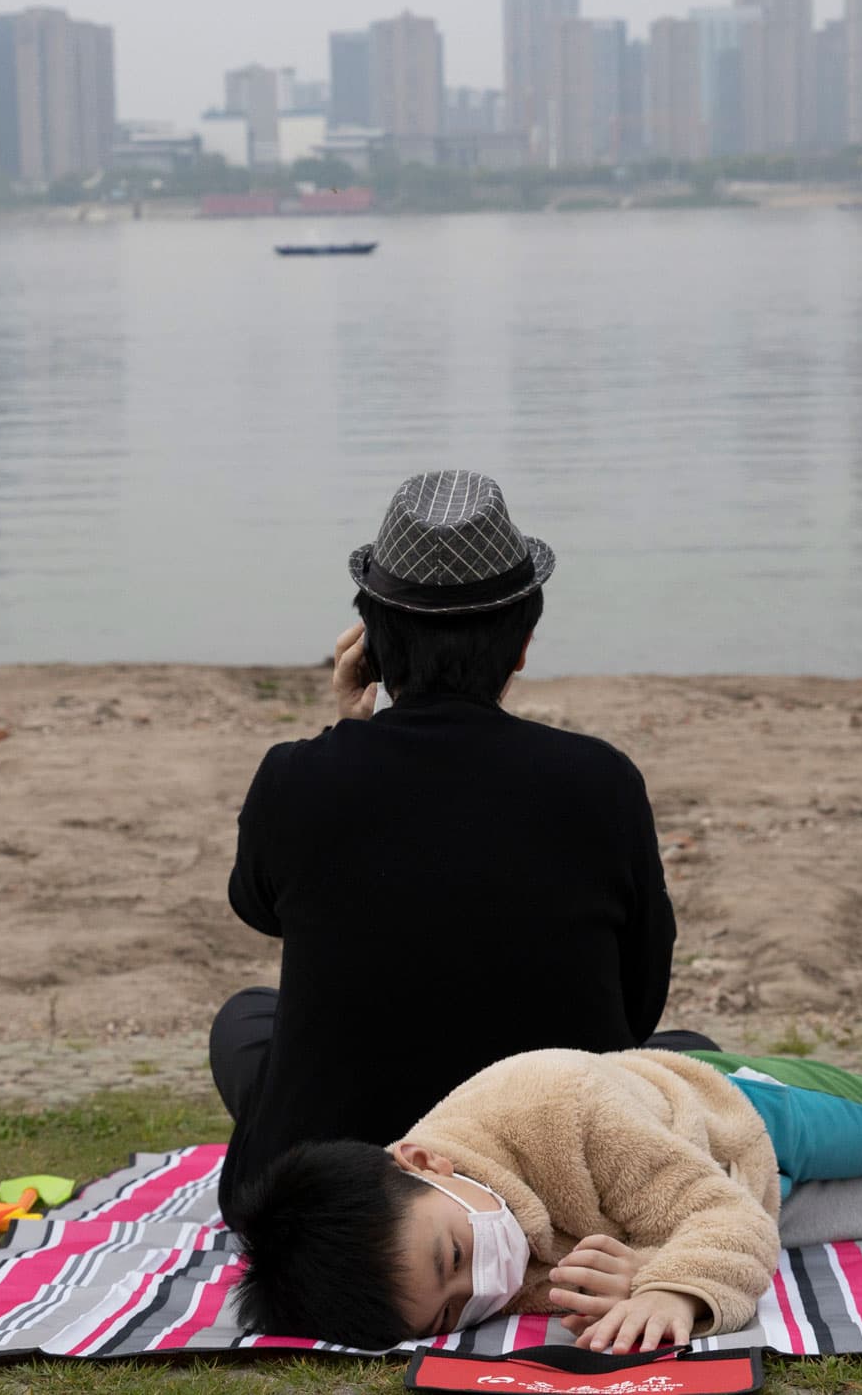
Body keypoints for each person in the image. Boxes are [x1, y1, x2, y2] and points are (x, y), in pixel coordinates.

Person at [211, 471, 713, 1222]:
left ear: (374, 643)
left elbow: (260, 906)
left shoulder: (299, 775)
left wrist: (350, 728)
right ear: (521, 643)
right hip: (556, 1171)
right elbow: (637, 1005)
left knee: (247, 1020)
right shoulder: (600, 780)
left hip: (335, 1179)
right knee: (690, 1053)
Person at [229, 1049, 862, 1353]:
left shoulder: (556, 1104)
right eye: (449, 1311)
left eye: (455, 1257)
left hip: (741, 1117)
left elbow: (720, 1224)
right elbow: (620, 1253)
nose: (483, 1287)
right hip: (716, 1197)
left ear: (419, 1156)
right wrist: (624, 1272)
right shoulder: (471, 1239)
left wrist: (680, 1291)